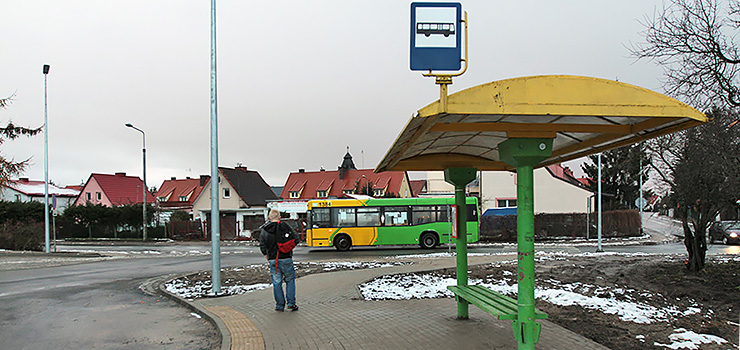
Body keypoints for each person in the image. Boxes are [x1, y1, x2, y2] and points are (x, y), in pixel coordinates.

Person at [259, 209, 299, 312]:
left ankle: (279, 305)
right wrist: (289, 248)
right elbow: (296, 238)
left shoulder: (265, 230)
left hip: (273, 259)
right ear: (279, 217)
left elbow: (262, 244)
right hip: (286, 258)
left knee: (277, 283)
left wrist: (266, 254)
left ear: (269, 218)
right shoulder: (285, 226)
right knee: (290, 280)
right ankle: (291, 303)